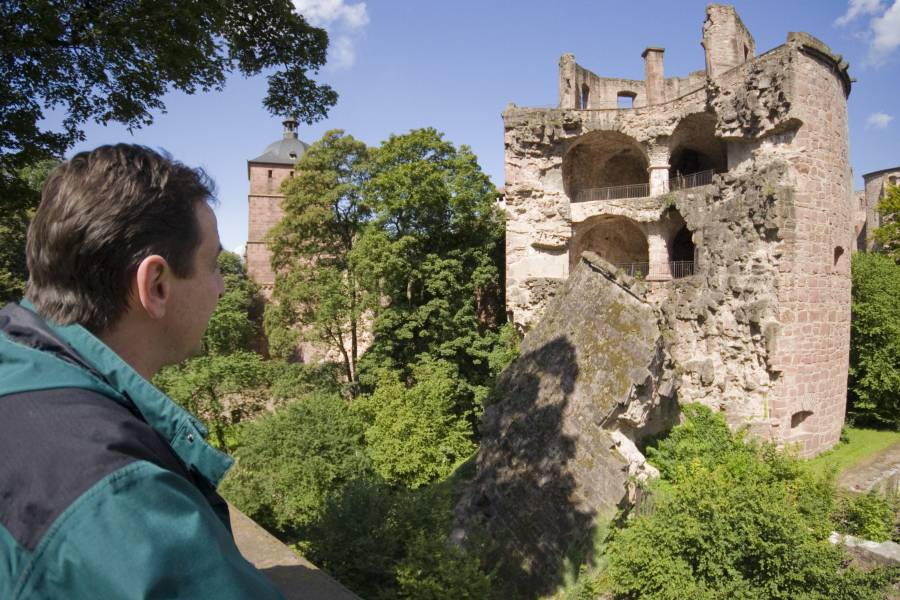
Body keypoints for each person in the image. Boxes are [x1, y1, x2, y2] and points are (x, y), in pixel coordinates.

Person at [0, 145, 284, 599]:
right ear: (155, 286)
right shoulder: (123, 499)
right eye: (212, 265)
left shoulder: (16, 364)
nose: (223, 284)